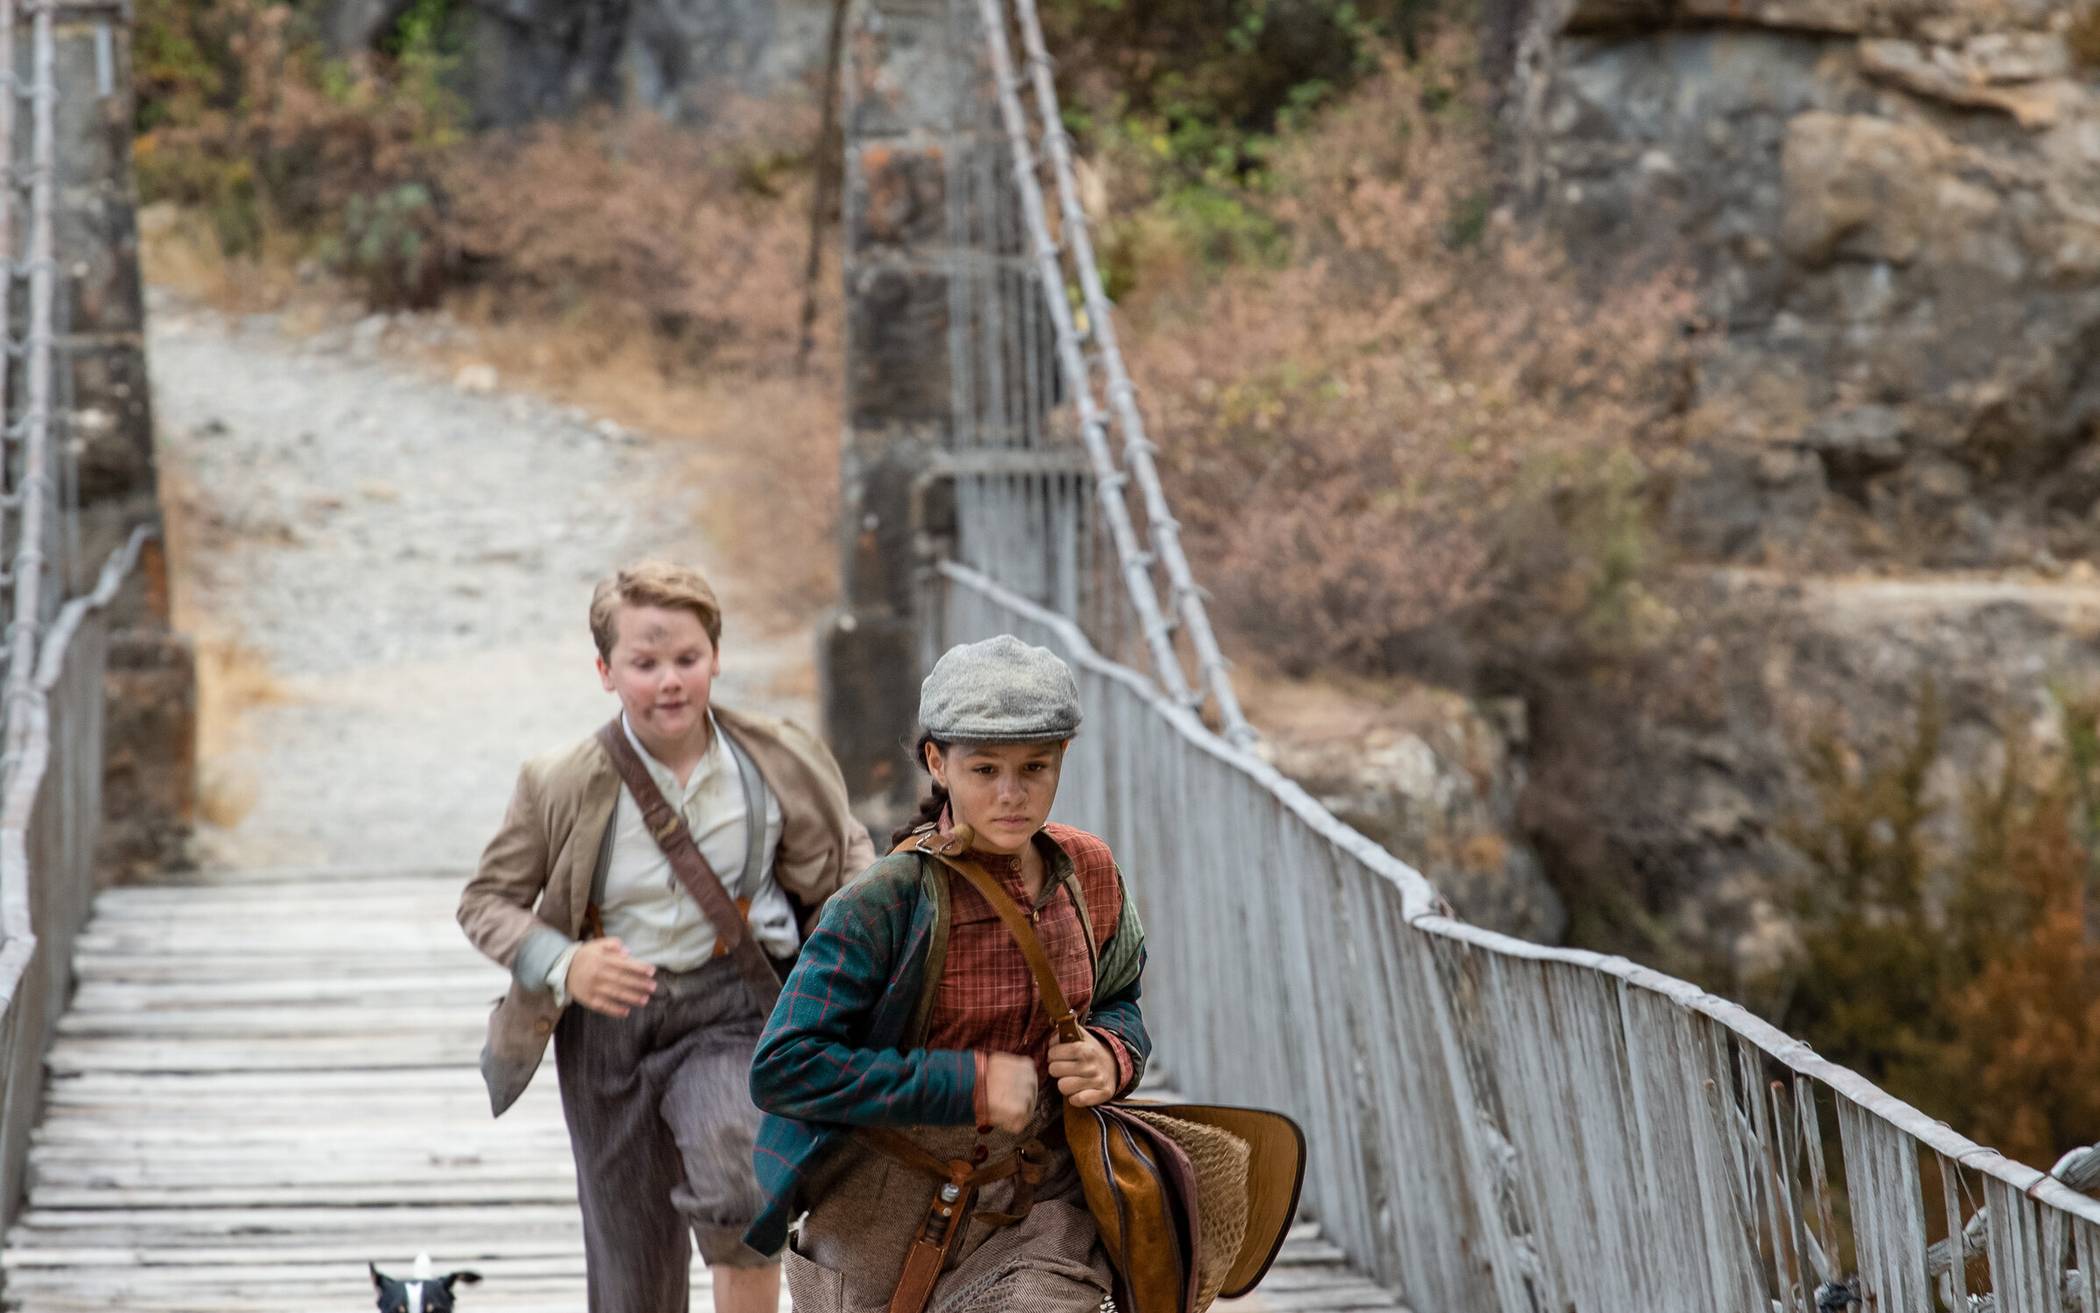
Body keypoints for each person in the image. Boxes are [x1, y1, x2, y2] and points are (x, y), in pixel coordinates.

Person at [457, 560, 876, 1313]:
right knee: (631, 1258)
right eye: (644, 663)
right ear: (605, 671)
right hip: (606, 1022)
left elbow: (849, 863)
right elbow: (486, 901)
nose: (669, 682)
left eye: (687, 659)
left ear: (716, 657)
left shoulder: (778, 761)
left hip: (735, 1002)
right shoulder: (560, 779)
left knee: (748, 1184)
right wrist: (565, 960)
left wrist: (851, 968)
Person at [744, 633, 1151, 1313]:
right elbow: (784, 1066)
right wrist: (964, 1083)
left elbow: (1121, 998)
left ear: (1063, 759)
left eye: (1035, 767)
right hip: (883, 1215)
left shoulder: (1091, 871)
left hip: (1038, 1207)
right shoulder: (885, 901)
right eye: (985, 769)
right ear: (938, 760)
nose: (1012, 794)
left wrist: (1112, 1054)